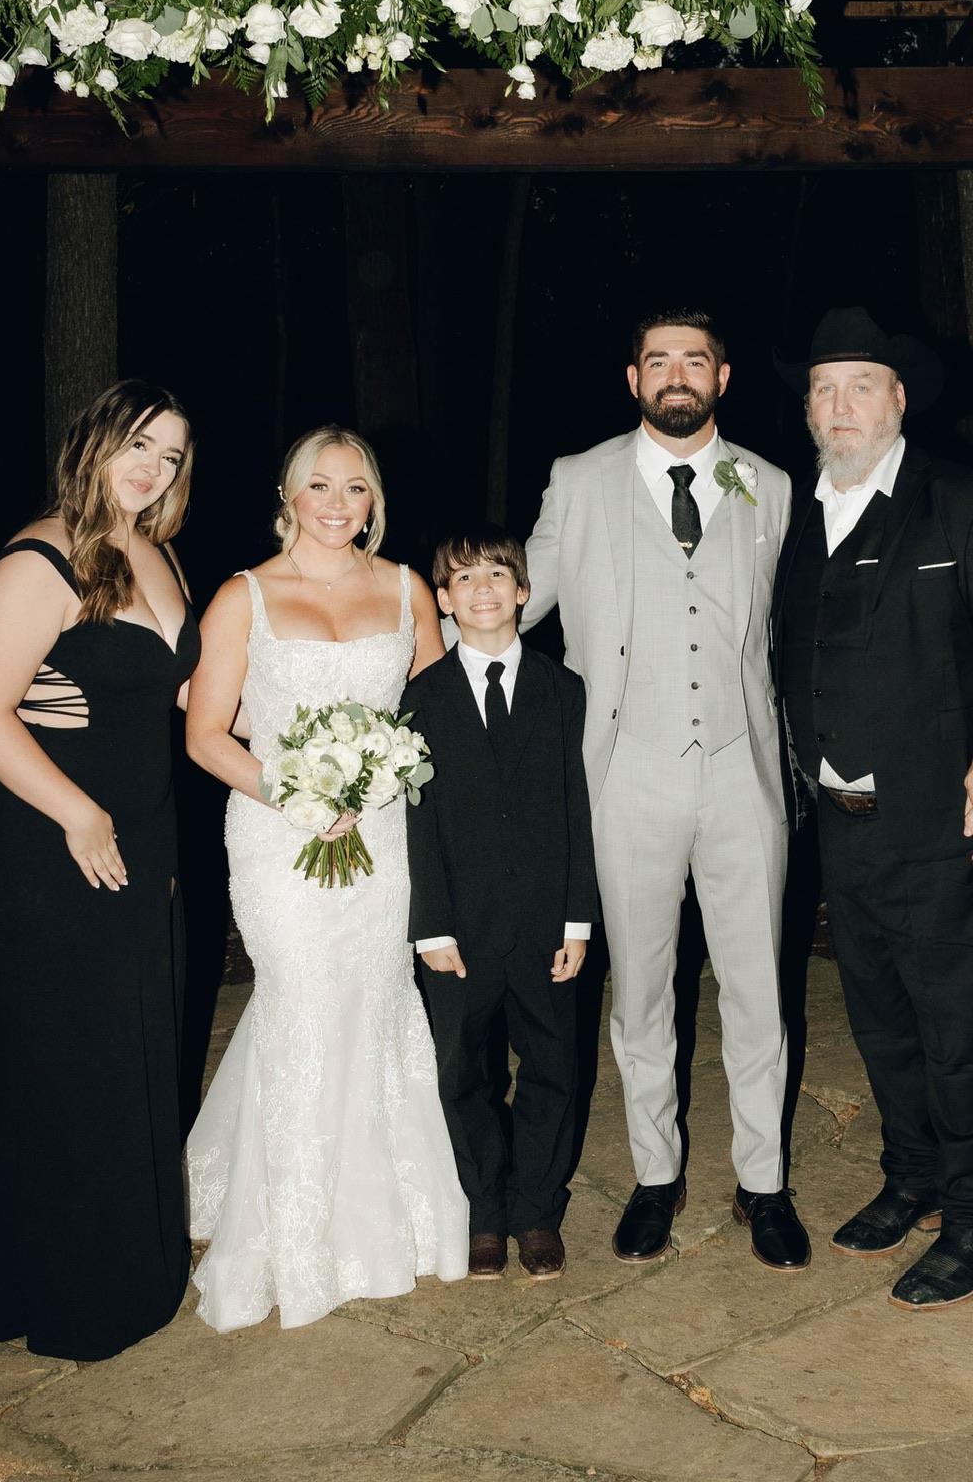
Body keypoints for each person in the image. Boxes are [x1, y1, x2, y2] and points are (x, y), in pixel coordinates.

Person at [525, 309, 809, 1270]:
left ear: (723, 378)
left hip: (742, 771)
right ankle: (656, 1174)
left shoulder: (767, 485)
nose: (676, 375)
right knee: (642, 988)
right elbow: (511, 600)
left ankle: (763, 1183)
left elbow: (795, 627)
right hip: (626, 771)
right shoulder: (580, 480)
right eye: (659, 361)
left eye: (695, 360)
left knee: (758, 986)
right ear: (632, 377)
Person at [771, 308, 973, 1310]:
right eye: (822, 390)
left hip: (945, 820)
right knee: (881, 1018)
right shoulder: (786, 516)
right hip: (839, 821)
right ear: (806, 408)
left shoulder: (969, 505)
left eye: (859, 387)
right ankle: (913, 1176)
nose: (839, 406)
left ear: (900, 400)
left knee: (960, 1024)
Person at [184, 426, 468, 1328]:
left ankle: (392, 1219)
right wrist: (293, 792)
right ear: (290, 497)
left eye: (355, 487)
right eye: (320, 486)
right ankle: (291, 1239)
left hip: (384, 838)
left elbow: (439, 715)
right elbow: (205, 735)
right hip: (276, 836)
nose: (338, 504)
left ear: (374, 499)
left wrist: (384, 774)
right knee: (302, 1001)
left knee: (373, 998)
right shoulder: (245, 597)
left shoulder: (405, 587)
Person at [0, 379, 200, 1362]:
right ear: (94, 441)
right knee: (72, 1057)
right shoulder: (40, 557)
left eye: (172, 455)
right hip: (56, 842)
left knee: (135, 1043)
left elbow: (174, 699)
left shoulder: (157, 547)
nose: (153, 467)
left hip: (143, 831)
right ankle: (73, 1293)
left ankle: (128, 1261)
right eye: (140, 444)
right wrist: (80, 813)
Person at [405, 529, 598, 1281]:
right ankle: (484, 1211)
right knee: (465, 1071)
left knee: (553, 1065)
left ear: (523, 591)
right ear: (444, 603)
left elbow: (578, 808)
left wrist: (578, 920)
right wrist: (431, 929)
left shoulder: (563, 689)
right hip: (460, 928)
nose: (482, 589)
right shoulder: (421, 698)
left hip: (547, 922)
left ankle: (536, 1209)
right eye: (462, 579)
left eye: (497, 574)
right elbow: (418, 820)